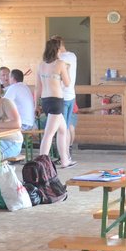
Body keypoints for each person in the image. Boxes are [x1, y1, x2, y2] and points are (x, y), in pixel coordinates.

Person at [36, 37, 74, 168]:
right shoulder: (60, 64)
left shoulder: (41, 65)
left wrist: (36, 105)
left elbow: (38, 87)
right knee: (49, 134)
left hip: (45, 101)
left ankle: (65, 160)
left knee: (62, 130)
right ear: (57, 50)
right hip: (56, 101)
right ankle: (41, 164)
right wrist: (67, 70)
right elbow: (67, 83)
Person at [54, 35, 78, 146]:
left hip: (61, 96)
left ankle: (64, 153)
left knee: (62, 128)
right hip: (71, 95)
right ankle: (67, 152)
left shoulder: (60, 59)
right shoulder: (72, 56)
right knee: (66, 127)